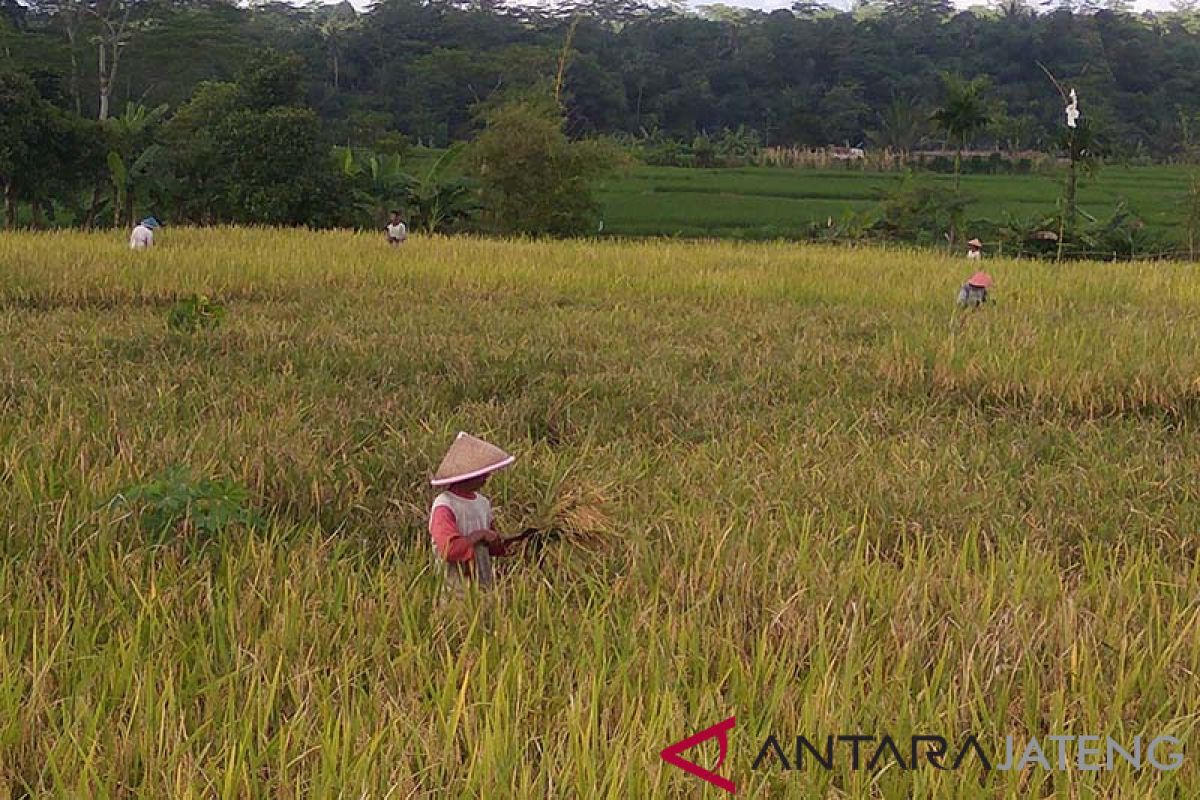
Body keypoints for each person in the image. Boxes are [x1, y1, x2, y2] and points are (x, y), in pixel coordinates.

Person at [428, 432, 516, 592]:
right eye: (481, 473)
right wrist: (479, 535)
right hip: (455, 592)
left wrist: (517, 543)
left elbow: (493, 546)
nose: (487, 476)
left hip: (484, 588)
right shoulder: (445, 505)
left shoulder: (482, 503)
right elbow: (449, 549)